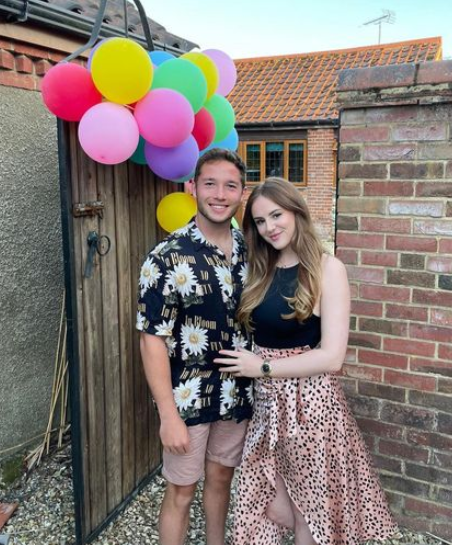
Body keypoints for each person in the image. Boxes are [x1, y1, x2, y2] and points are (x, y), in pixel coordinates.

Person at [214, 178, 398, 545]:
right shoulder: (261, 269)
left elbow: (331, 356)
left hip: (310, 407)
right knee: (272, 502)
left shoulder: (327, 269)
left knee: (310, 514)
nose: (270, 227)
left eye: (277, 215)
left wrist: (262, 367)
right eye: (261, 221)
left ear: (297, 211)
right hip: (267, 407)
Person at [136, 148, 253, 545]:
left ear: (242, 192)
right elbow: (152, 338)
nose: (219, 194)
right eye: (210, 184)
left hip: (238, 393)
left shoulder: (252, 252)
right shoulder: (166, 257)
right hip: (187, 399)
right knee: (181, 492)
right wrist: (168, 414)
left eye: (230, 185)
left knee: (221, 478)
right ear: (192, 188)